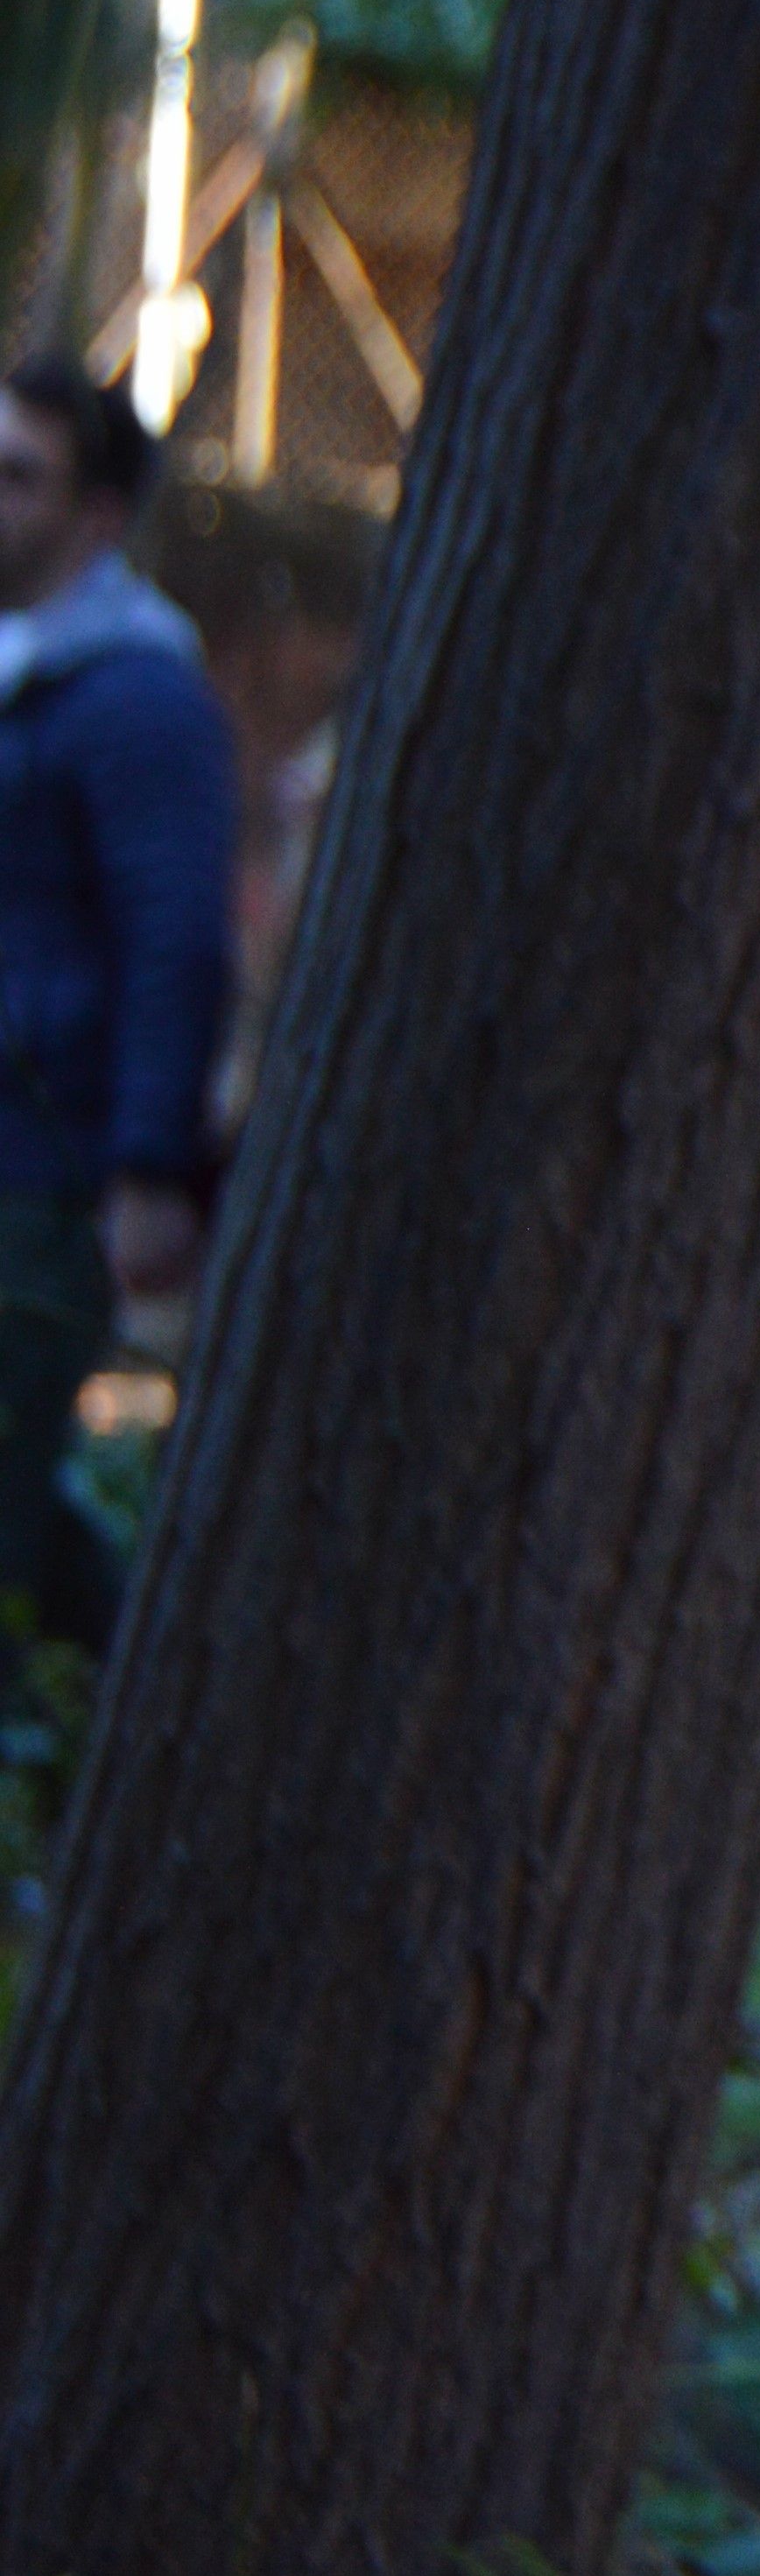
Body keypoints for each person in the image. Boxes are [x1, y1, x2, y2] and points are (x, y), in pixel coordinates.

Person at [0, 359, 231, 1653]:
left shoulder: (140, 700)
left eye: (19, 477)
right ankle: (152, 1681)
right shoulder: (21, 671)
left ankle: (152, 1686)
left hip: (45, 1175)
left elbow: (174, 943)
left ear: (96, 517)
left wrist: (149, 1168)